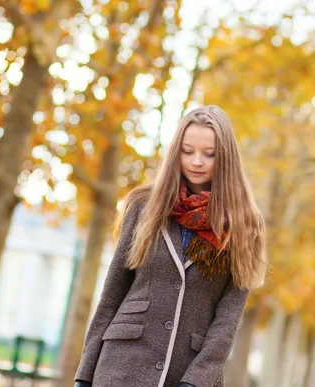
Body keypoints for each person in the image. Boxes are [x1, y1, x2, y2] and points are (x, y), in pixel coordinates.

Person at [74, 105, 268, 387]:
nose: (196, 161)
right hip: (121, 366)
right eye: (187, 151)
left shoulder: (244, 223)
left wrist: (197, 380)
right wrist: (84, 374)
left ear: (225, 158)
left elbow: (228, 318)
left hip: (189, 372)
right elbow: (113, 293)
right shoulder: (143, 206)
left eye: (209, 154)